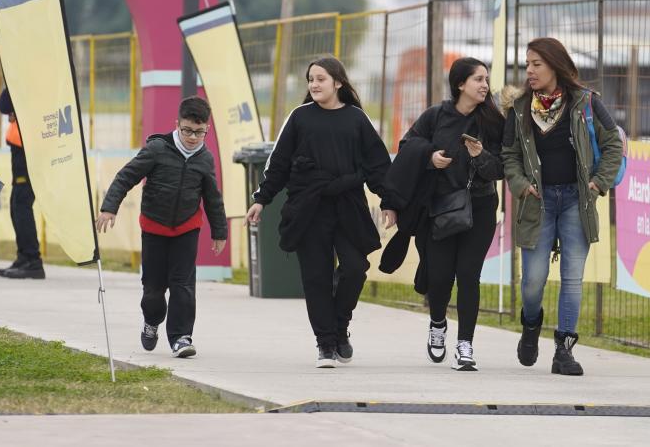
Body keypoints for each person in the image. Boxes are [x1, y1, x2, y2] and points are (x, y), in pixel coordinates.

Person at [245, 56, 391, 368]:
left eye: (320, 79)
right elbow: (279, 164)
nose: (314, 84)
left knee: (354, 267)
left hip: (348, 204)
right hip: (308, 207)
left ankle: (340, 327)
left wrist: (390, 201)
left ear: (338, 82)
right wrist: (261, 198)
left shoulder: (357, 119)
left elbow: (378, 165)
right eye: (311, 79)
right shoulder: (299, 118)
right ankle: (326, 344)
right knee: (316, 278)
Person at [501, 37, 623, 376]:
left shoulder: (585, 103)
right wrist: (521, 186)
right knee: (533, 282)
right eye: (527, 65)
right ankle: (530, 324)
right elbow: (509, 155)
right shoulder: (521, 108)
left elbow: (614, 144)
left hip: (575, 201)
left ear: (555, 65)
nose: (529, 71)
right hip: (537, 203)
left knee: (572, 279)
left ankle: (564, 351)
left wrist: (599, 182)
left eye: (536, 64)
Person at [382, 57, 504, 371]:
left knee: (468, 275)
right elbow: (407, 144)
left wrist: (480, 157)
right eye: (478, 79)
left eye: (486, 79)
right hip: (437, 208)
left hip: (479, 208)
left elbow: (501, 169)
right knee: (439, 277)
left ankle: (465, 345)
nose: (484, 86)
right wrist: (430, 157)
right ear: (460, 84)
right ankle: (438, 324)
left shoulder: (492, 121)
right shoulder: (436, 116)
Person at [95, 96, 227, 359]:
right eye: (187, 130)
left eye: (200, 132)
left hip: (187, 229)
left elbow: (213, 197)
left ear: (207, 129)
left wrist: (219, 231)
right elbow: (126, 177)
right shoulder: (157, 149)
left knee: (183, 285)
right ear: (177, 124)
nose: (192, 137)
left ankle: (181, 337)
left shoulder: (205, 158)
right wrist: (110, 206)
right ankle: (152, 321)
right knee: (153, 290)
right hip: (154, 227)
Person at [0, 86, 44, 280]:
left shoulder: (30, 82)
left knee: (21, 206)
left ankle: (33, 260)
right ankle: (24, 257)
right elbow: (4, 105)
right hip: (20, 151)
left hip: (27, 153)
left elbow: (4, 103)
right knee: (16, 206)